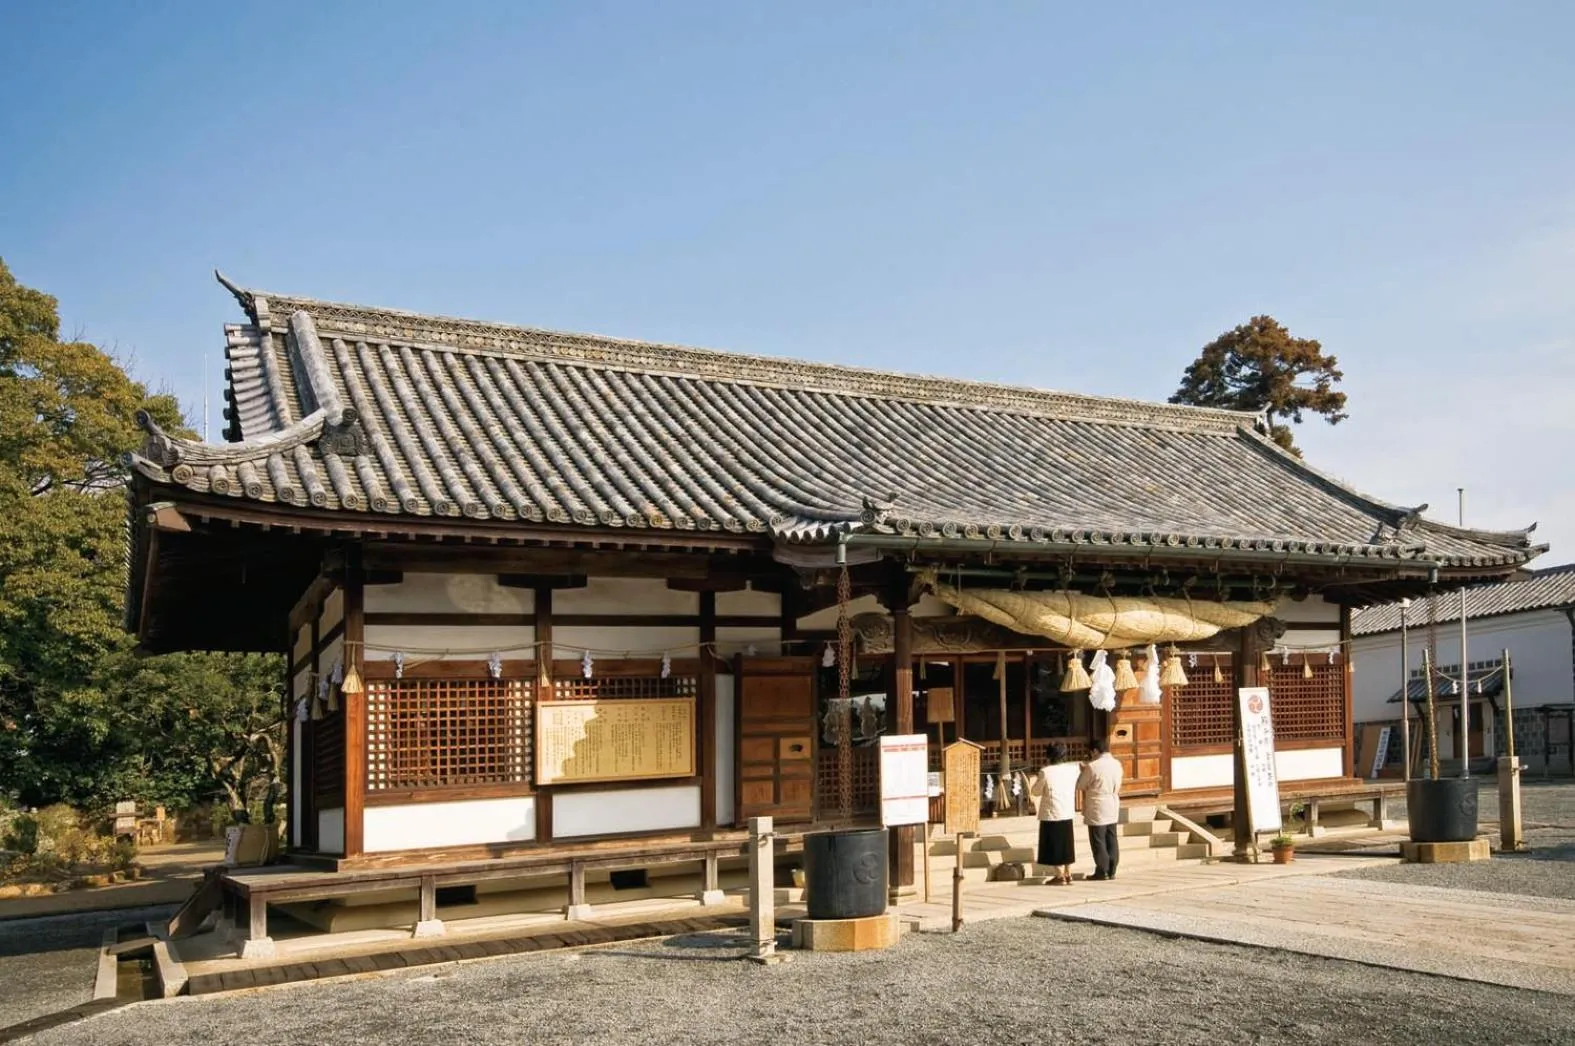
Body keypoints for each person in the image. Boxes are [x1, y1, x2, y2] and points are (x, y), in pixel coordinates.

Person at [1029, 742, 1080, 885]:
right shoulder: (1072, 770)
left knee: (1054, 844)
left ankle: (1059, 875)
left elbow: (1036, 791)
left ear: (1049, 756)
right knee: (1066, 843)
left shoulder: (1046, 771)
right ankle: (1068, 873)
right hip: (1067, 810)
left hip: (1052, 811)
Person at [1078, 737, 1123, 880]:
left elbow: (1081, 785)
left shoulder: (1093, 766)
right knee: (1111, 837)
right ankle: (1112, 869)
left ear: (1095, 751)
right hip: (1112, 801)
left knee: (1098, 839)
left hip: (1098, 803)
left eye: (1091, 752)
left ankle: (1102, 870)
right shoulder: (1117, 763)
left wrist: (1083, 771)